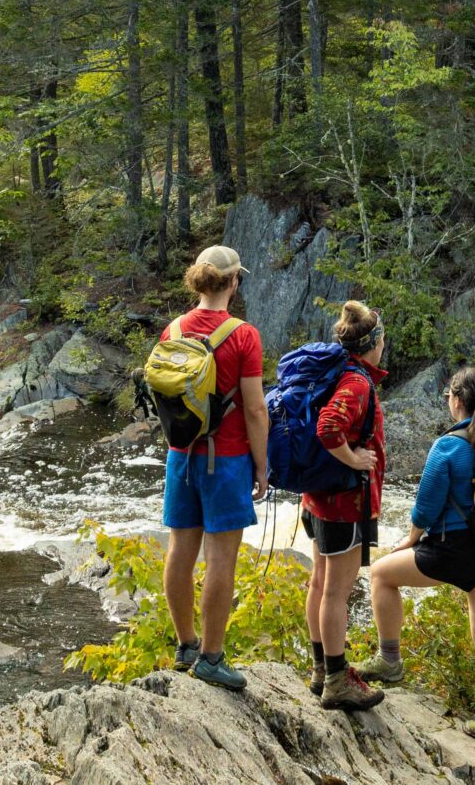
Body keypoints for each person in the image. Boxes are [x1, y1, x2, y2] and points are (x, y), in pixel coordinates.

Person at [355, 366, 475, 750]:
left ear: (457, 401)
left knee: (381, 574)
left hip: (453, 551)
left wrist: (409, 541)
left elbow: (426, 509)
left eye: (449, 396)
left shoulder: (447, 447)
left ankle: (390, 660)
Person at [160, 245, 267, 691]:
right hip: (226, 460)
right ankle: (211, 657)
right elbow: (255, 409)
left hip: (180, 456)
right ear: (233, 281)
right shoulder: (243, 336)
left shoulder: (173, 329)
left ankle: (185, 645)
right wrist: (262, 466)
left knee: (179, 552)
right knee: (221, 559)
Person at [302, 301, 388, 711]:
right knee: (336, 592)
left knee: (320, 583)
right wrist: (354, 459)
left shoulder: (338, 372)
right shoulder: (357, 383)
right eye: (382, 340)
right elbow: (328, 427)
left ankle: (321, 668)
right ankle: (337, 680)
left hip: (319, 497)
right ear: (373, 343)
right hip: (344, 504)